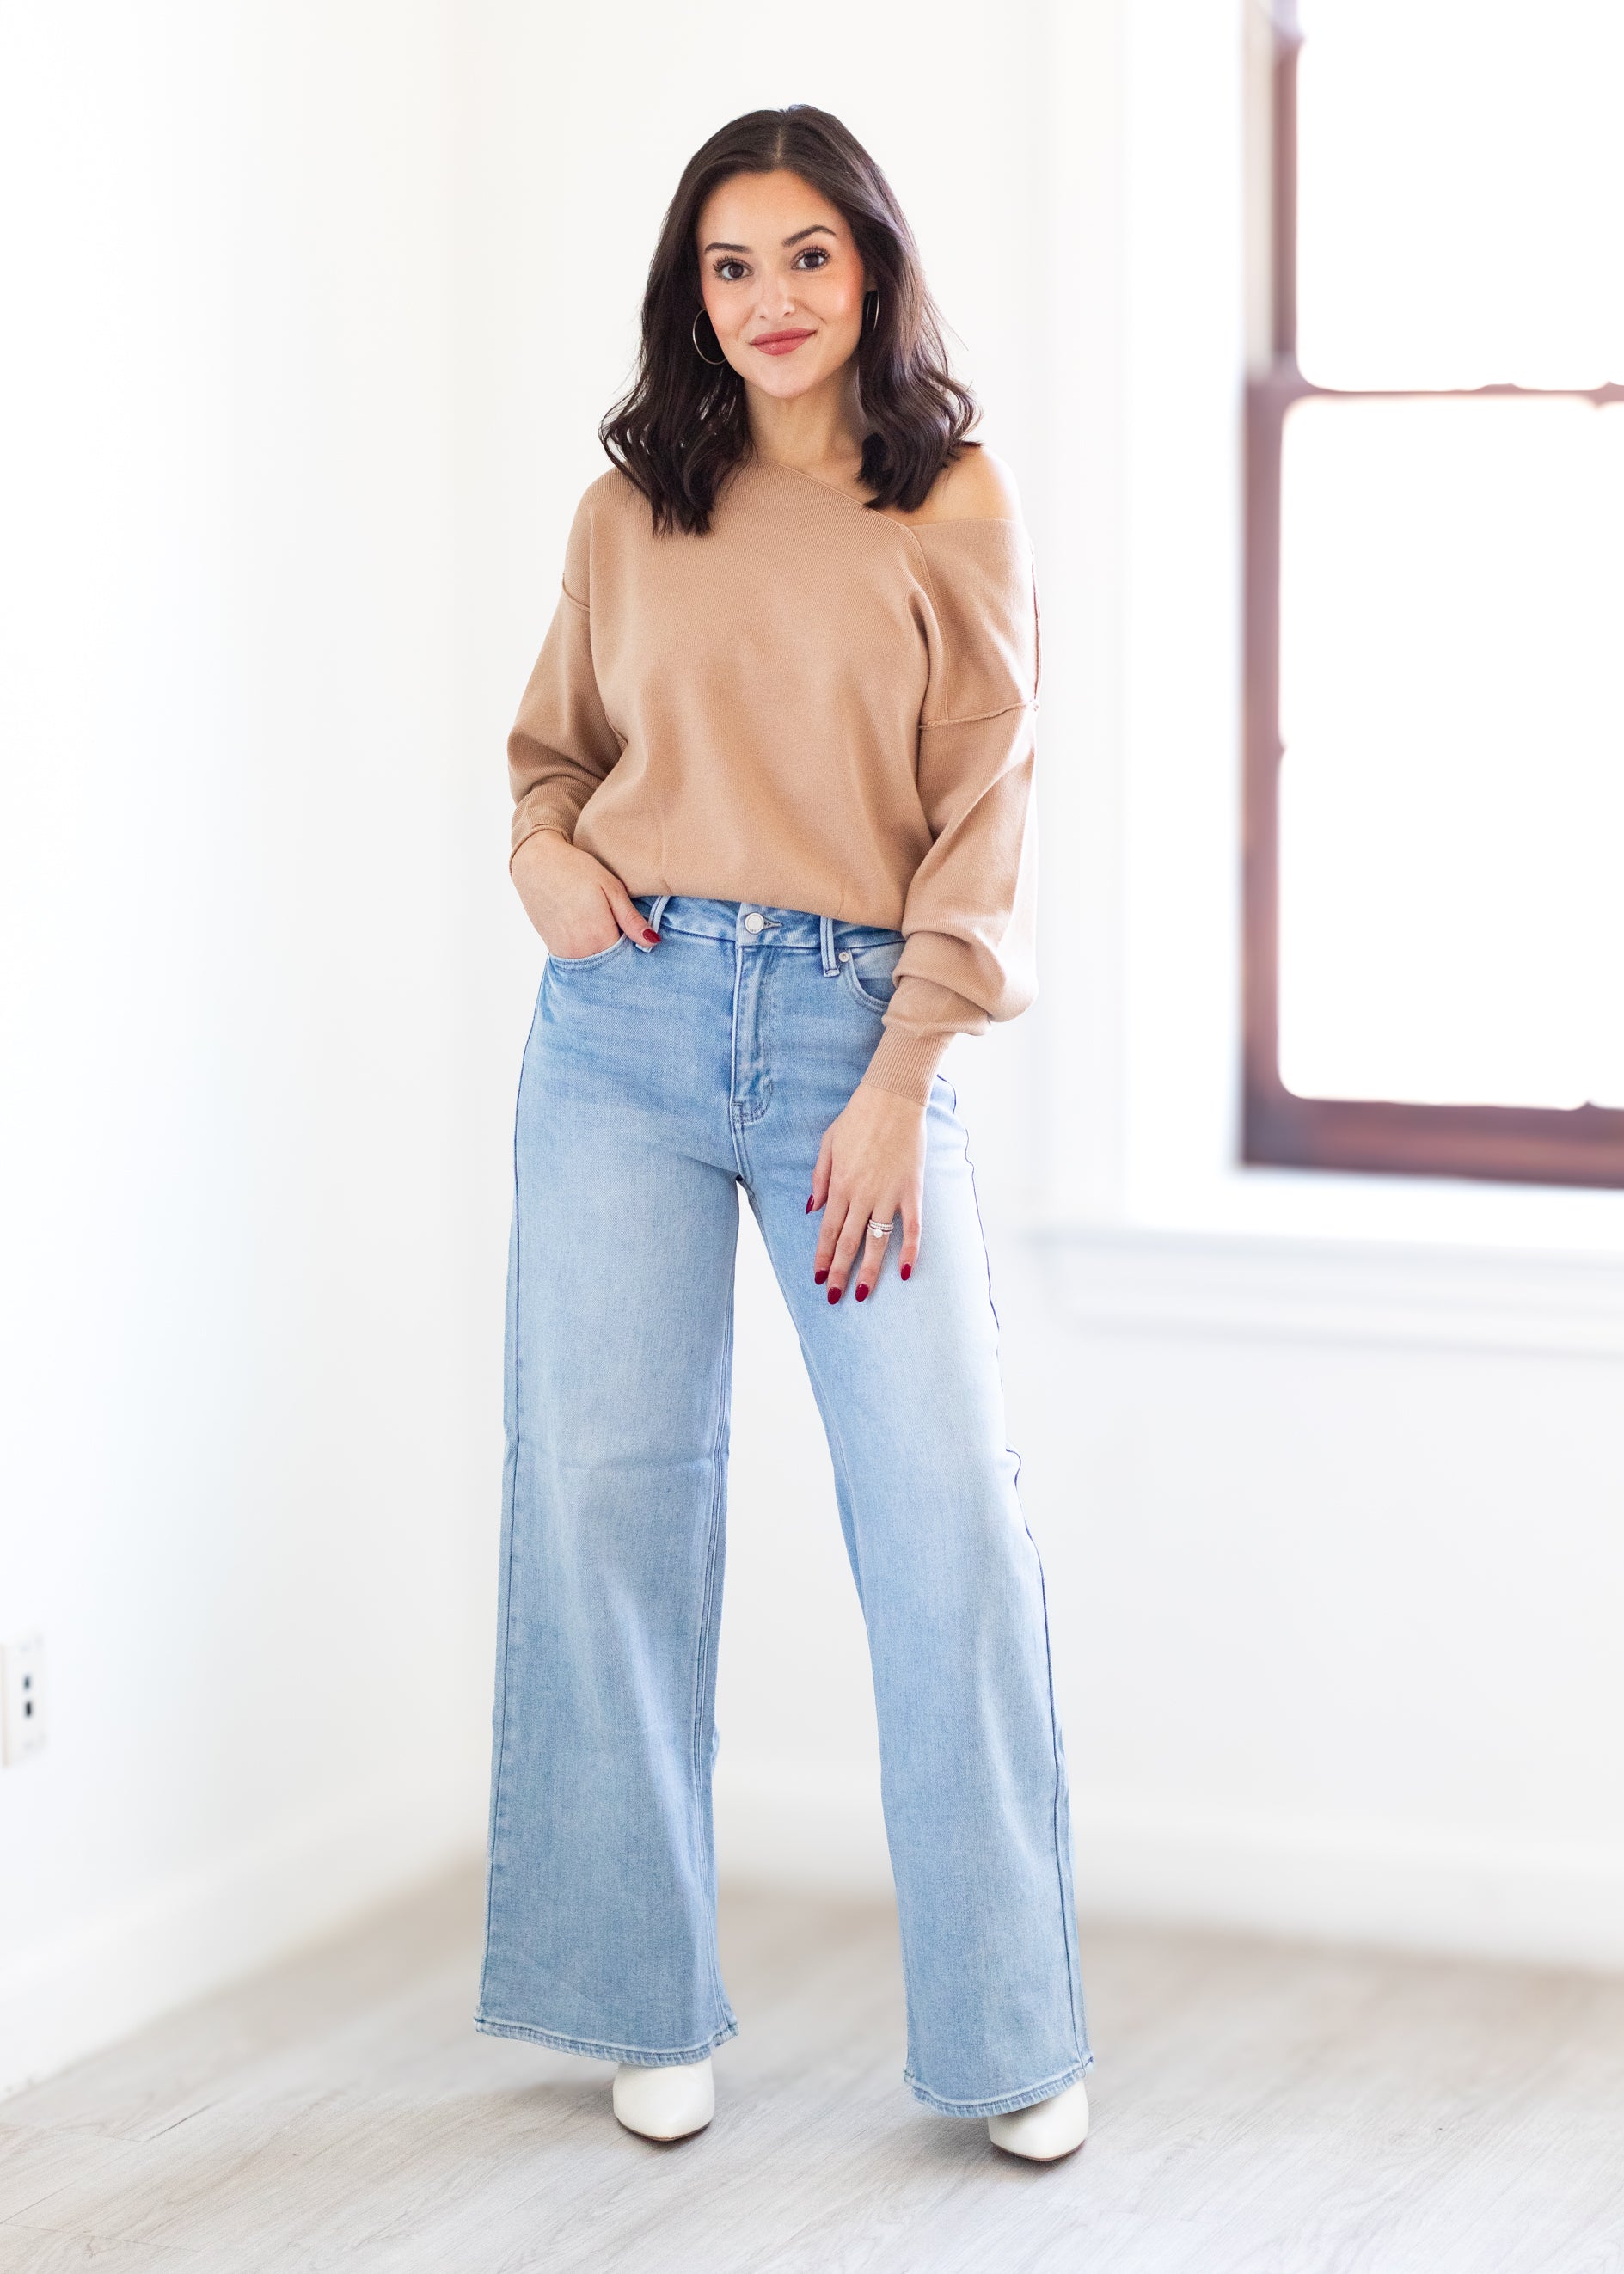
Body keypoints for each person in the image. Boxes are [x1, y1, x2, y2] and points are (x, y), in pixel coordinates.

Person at [474, 104, 1093, 2163]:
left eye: (808, 257)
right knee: (606, 1508)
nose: (772, 302)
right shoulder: (628, 506)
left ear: (876, 269)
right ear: (693, 290)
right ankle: (633, 1997)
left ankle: (1013, 2034)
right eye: (733, 266)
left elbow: (987, 817)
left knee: (947, 1527)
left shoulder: (958, 506)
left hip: (851, 1036)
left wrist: (903, 1079)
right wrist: (547, 862)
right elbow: (552, 758)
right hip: (621, 1029)